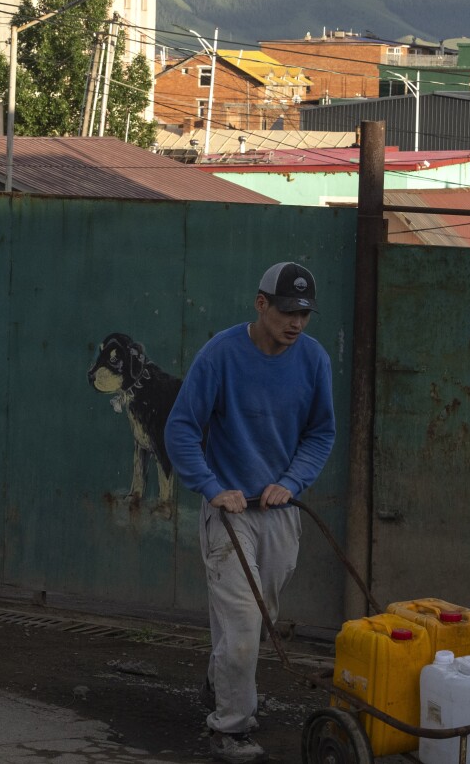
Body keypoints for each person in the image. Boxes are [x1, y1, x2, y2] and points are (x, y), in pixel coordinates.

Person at [165, 261, 336, 764]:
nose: (296, 323)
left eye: (304, 314)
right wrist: (213, 488)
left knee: (261, 620)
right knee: (242, 627)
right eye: (287, 312)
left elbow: (320, 432)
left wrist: (292, 481)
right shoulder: (220, 355)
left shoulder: (314, 361)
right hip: (230, 514)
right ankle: (230, 728)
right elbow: (181, 428)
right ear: (261, 304)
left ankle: (220, 682)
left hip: (280, 510)